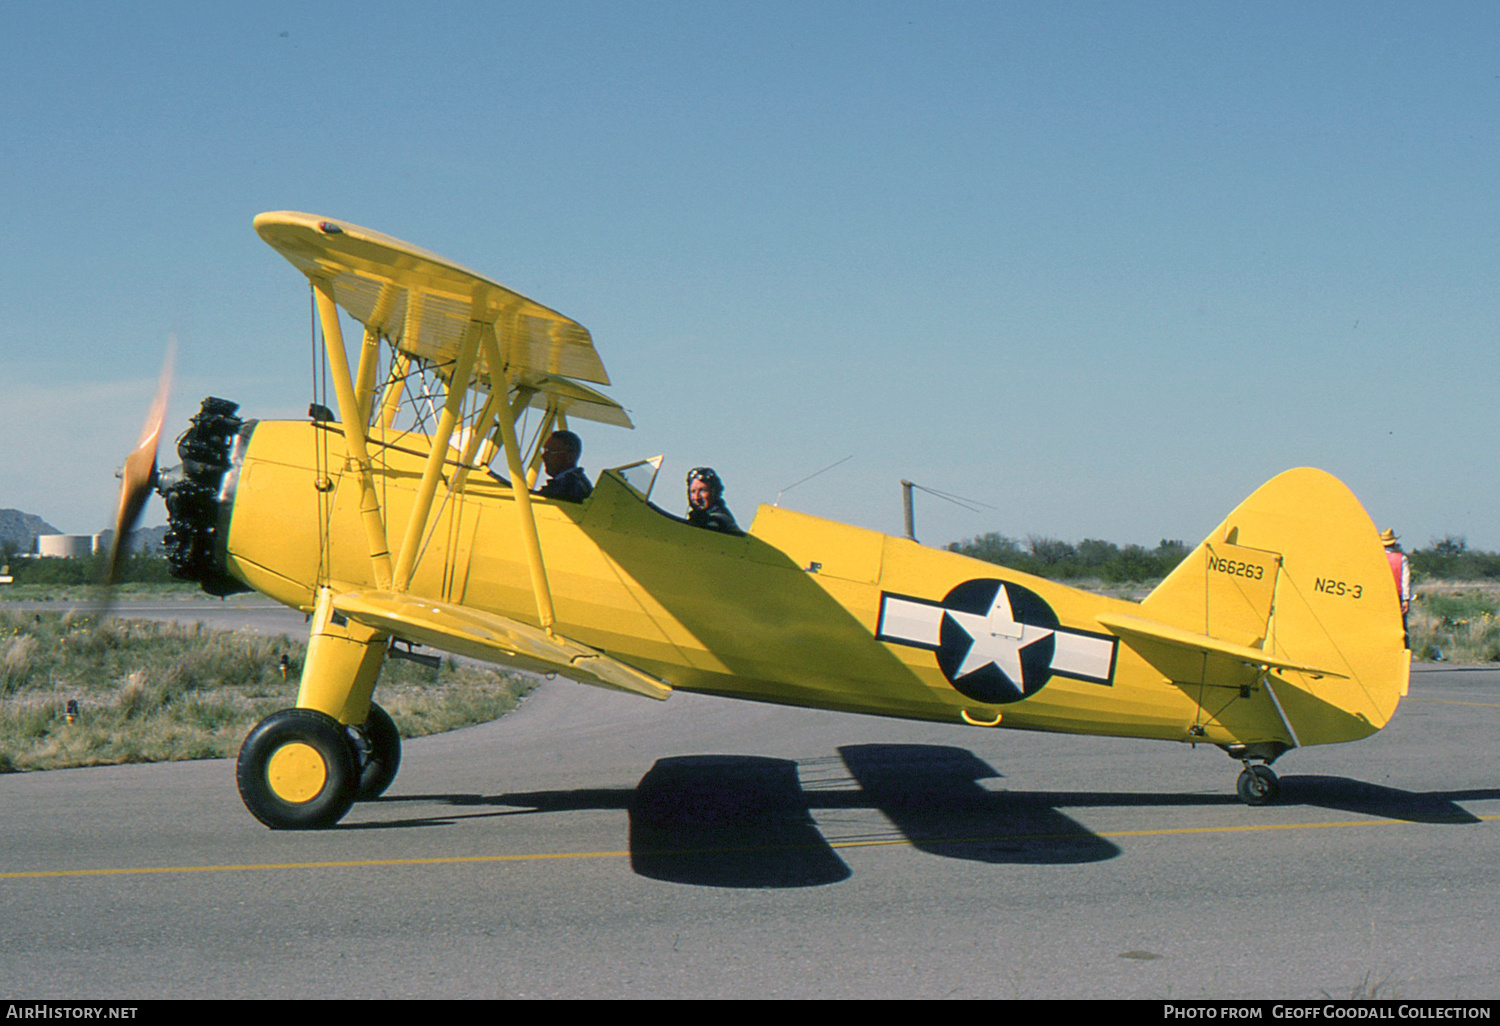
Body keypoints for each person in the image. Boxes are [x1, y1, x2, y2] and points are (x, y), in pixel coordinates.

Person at [535, 430, 592, 502]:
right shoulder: (574, 483)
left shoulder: (571, 486)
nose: (543, 456)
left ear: (570, 456)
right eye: (545, 450)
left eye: (549, 451)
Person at [685, 467, 741, 535]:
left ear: (715, 493)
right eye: (693, 491)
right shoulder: (698, 519)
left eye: (703, 490)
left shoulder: (720, 520)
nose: (697, 498)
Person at [1382, 528, 1410, 647]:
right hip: (1396, 596)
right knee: (1401, 627)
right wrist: (1406, 599)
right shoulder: (1401, 558)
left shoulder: (1376, 558)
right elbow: (1405, 580)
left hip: (1379, 596)